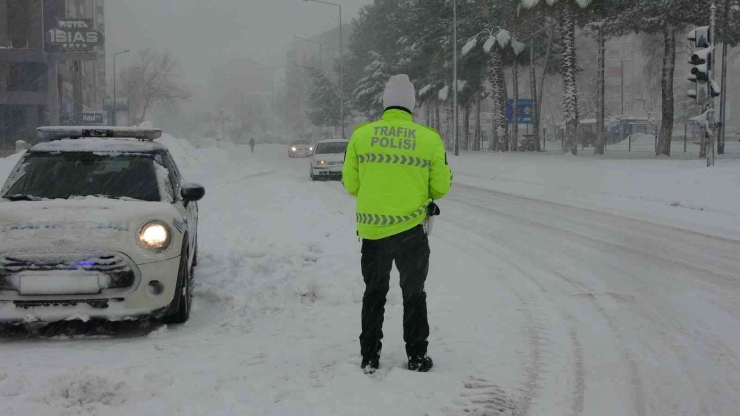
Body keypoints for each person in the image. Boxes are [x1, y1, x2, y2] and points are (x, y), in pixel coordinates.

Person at [342, 74, 453, 374]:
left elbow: (351, 184)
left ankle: (369, 357)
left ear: (385, 102)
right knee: (414, 295)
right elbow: (441, 188)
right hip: (411, 235)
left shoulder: (361, 136)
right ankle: (417, 357)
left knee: (374, 294)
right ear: (411, 104)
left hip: (374, 234)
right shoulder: (429, 139)